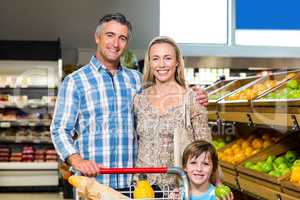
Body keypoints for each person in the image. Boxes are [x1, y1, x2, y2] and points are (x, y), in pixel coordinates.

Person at [51, 13, 208, 191]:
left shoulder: (136, 80)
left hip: (134, 185)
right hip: (95, 184)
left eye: (122, 38)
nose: (115, 44)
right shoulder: (75, 82)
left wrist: (194, 94)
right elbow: (59, 129)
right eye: (110, 35)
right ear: (97, 37)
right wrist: (76, 159)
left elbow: (165, 95)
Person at [134, 36, 212, 190]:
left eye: (167, 58)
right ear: (150, 63)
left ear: (177, 62)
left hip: (179, 188)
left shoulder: (192, 99)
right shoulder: (139, 100)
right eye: (155, 58)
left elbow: (206, 148)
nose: (161, 64)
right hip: (142, 187)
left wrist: (215, 185)